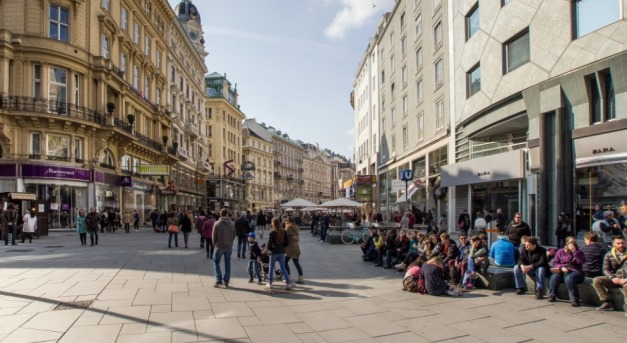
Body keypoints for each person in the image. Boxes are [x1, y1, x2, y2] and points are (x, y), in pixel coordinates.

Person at [592, 236, 627, 312]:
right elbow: (605, 269)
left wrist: (625, 279)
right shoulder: (609, 254)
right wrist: (612, 278)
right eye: (618, 243)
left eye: (623, 243)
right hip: (616, 278)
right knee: (597, 280)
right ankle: (607, 302)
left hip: (626, 279)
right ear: (613, 244)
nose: (621, 245)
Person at [548, 241, 585, 306]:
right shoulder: (560, 252)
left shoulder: (579, 253)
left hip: (576, 272)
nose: (566, 250)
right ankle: (552, 295)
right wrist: (561, 267)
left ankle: (575, 300)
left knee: (569, 279)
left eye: (568, 250)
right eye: (565, 248)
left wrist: (575, 252)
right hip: (562, 270)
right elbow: (555, 263)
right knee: (554, 277)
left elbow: (580, 262)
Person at [266, 217, 292, 290]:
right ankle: (288, 283)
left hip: (274, 252)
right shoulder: (283, 231)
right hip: (282, 252)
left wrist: (271, 249)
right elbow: (287, 242)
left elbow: (269, 243)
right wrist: (283, 246)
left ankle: (270, 283)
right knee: (283, 267)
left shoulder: (272, 231)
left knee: (271, 267)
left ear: (273, 223)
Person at [212, 208, 236, 287]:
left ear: (220, 214)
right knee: (227, 263)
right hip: (229, 246)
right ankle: (226, 280)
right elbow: (234, 235)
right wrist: (231, 242)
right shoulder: (232, 223)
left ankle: (219, 280)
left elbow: (214, 236)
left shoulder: (217, 223)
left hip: (219, 246)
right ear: (227, 214)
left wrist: (214, 244)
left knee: (216, 261)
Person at [285, 216, 304, 284]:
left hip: (290, 247)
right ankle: (301, 277)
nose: (285, 222)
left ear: (289, 221)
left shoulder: (288, 228)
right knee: (296, 263)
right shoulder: (296, 227)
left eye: (286, 221)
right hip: (296, 246)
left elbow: (285, 237)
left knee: (285, 262)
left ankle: (288, 277)